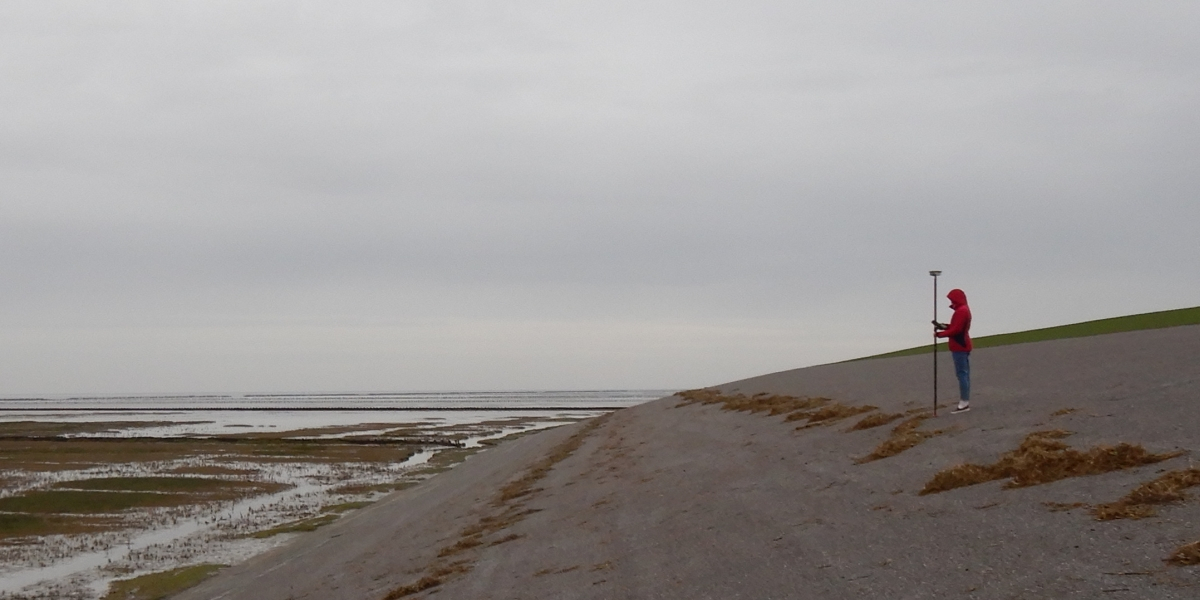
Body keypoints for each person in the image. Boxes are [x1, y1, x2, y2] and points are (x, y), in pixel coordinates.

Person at [933, 288, 973, 414]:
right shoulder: (963, 310)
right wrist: (943, 326)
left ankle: (964, 402)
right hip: (961, 345)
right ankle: (964, 401)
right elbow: (955, 327)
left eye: (951, 299)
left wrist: (940, 334)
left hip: (960, 346)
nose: (951, 301)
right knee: (963, 374)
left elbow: (956, 331)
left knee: (962, 374)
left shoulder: (961, 311)